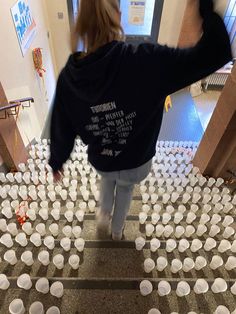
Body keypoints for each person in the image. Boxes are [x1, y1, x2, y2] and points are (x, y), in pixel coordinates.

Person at [49, 0, 232, 240]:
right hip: (136, 161)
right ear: (117, 15)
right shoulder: (147, 61)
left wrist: (57, 160)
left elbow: (62, 124)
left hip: (102, 158)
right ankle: (117, 230)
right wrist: (205, 10)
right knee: (124, 189)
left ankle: (103, 213)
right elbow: (212, 54)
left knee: (107, 179)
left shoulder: (69, 78)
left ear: (81, 23)